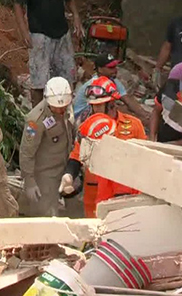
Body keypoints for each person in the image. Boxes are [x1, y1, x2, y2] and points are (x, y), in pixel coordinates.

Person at [60, 78, 146, 216]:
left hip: (125, 191)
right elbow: (77, 155)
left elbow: (145, 158)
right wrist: (69, 175)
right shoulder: (88, 127)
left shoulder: (134, 125)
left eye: (100, 106)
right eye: (93, 106)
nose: (96, 110)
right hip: (95, 191)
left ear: (111, 104)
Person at [14, 0, 84, 107]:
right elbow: (18, 5)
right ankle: (38, 114)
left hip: (61, 33)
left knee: (68, 76)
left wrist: (76, 17)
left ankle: (65, 112)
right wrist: (24, 32)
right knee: (39, 80)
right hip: (39, 34)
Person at [19, 76, 75, 217]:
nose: (60, 111)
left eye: (63, 108)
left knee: (76, 209)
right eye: (57, 108)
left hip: (66, 167)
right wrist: (30, 181)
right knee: (47, 214)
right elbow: (27, 152)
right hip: (46, 174)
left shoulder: (66, 107)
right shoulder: (35, 121)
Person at [72, 53, 148, 123]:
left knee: (124, 109)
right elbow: (110, 109)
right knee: (117, 109)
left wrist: (145, 115)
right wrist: (139, 120)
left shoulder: (112, 80)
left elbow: (127, 99)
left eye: (115, 66)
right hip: (81, 118)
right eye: (111, 67)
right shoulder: (96, 85)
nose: (115, 70)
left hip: (97, 112)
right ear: (100, 69)